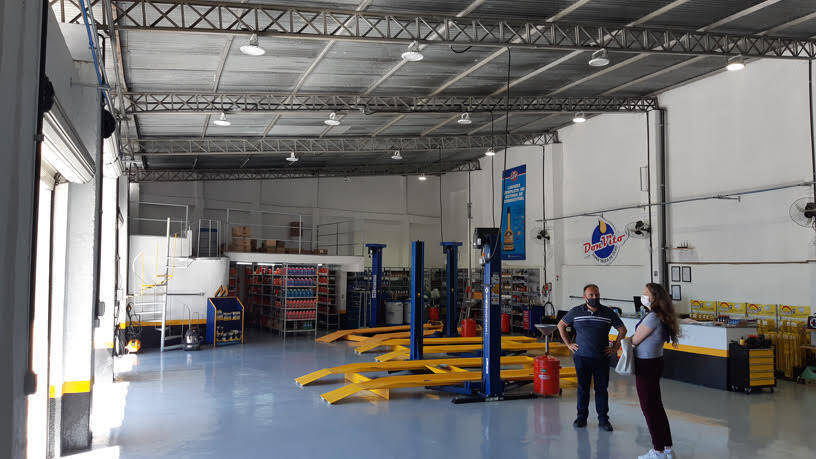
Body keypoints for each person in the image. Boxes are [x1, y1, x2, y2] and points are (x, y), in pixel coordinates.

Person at [557, 284, 627, 432]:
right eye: (591, 295)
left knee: (601, 389)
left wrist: (615, 348)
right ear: (585, 297)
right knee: (583, 388)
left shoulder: (608, 312)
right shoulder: (576, 311)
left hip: (602, 358)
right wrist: (568, 344)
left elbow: (622, 329)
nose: (595, 297)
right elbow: (561, 325)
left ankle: (603, 420)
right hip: (582, 358)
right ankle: (581, 418)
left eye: (597, 294)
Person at [631, 283, 680, 459]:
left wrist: (623, 342)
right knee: (657, 407)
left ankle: (658, 451)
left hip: (646, 365)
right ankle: (667, 448)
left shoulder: (652, 318)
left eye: (646, 294)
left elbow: (635, 340)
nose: (643, 297)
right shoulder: (661, 316)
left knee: (649, 408)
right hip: (655, 362)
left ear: (655, 298)